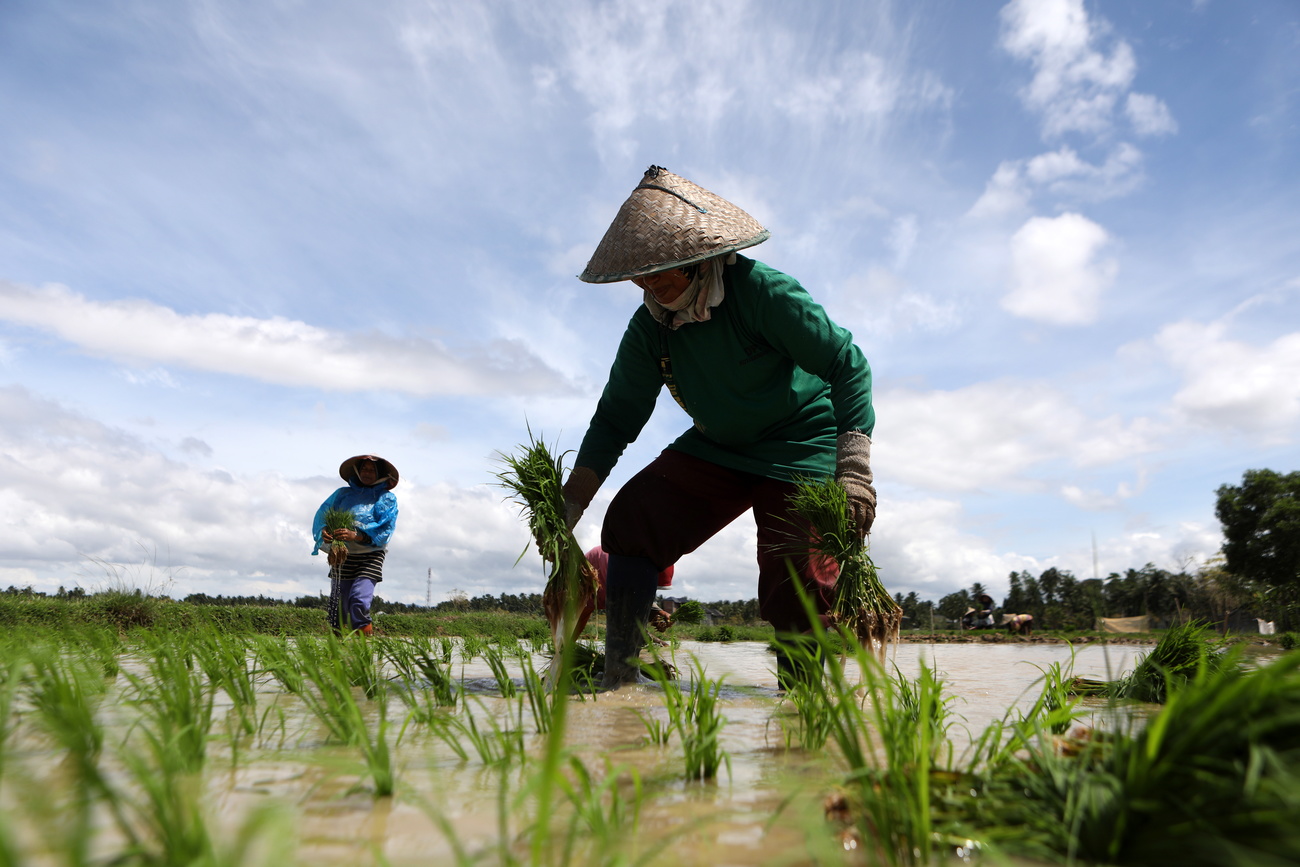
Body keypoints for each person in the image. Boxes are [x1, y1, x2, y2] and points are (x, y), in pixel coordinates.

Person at [561, 166, 876, 689]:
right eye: (639, 274)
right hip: (720, 445)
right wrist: (571, 502)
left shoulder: (761, 293)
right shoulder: (650, 329)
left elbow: (847, 363)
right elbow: (616, 416)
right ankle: (623, 673)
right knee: (634, 520)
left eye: (661, 270)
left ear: (699, 258)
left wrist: (855, 473)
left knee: (795, 564)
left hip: (800, 440)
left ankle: (805, 702)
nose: (648, 284)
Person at [312, 454, 400, 636]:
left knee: (359, 599)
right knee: (337, 605)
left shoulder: (386, 499)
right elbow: (324, 516)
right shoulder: (342, 495)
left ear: (380, 474)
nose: (366, 473)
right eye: (364, 469)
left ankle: (364, 642)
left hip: (370, 555)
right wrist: (325, 532)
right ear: (357, 472)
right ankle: (337, 646)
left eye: (371, 470)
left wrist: (357, 535)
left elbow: (384, 530)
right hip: (343, 554)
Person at [574, 544, 675, 638]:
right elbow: (631, 601)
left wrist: (660, 613)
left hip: (621, 572)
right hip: (597, 571)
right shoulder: (613, 570)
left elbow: (641, 598)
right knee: (581, 613)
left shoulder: (652, 561)